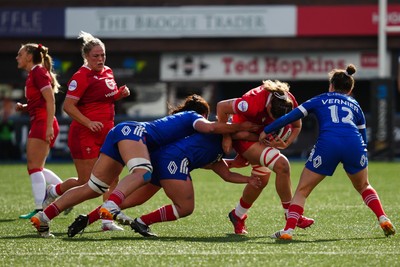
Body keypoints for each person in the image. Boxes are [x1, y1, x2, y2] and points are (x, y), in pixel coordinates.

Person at [30, 94, 259, 237]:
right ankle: (110, 206)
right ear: (203, 114)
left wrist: (236, 162)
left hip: (122, 133)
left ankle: (45, 216)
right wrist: (244, 127)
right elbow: (210, 129)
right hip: (134, 133)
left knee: (93, 187)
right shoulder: (192, 117)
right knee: (143, 173)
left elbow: (209, 158)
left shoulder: (185, 133)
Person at [260, 64, 396, 240]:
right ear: (350, 89)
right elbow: (362, 135)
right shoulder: (355, 104)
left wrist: (268, 129)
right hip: (354, 144)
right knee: (364, 186)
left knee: (302, 190)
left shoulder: (320, 99)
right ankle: (383, 218)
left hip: (328, 145)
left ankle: (288, 231)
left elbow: (291, 117)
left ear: (331, 85)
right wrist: (362, 154)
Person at [68, 131, 261, 238]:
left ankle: (87, 219)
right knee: (185, 207)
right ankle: (143, 222)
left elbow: (225, 173)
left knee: (128, 201)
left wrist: (248, 179)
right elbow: (233, 125)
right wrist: (259, 134)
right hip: (172, 161)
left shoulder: (217, 150)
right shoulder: (222, 130)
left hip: (162, 159)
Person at [42, 31, 130, 231]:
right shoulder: (81, 76)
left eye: (103, 55)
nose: (100, 59)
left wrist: (119, 94)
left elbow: (105, 98)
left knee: (113, 177)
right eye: (95, 56)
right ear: (86, 57)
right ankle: (54, 191)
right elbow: (68, 106)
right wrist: (89, 123)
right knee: (88, 182)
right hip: (85, 135)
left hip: (107, 133)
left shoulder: (107, 71)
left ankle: (107, 221)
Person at [216, 79, 314, 234]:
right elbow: (222, 107)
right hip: (243, 136)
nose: (276, 122)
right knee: (282, 165)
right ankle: (291, 215)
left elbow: (296, 125)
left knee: (260, 180)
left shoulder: (287, 99)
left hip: (261, 136)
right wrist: (226, 136)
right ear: (268, 107)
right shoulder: (252, 102)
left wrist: (286, 143)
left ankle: (238, 215)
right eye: (273, 118)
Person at [15, 43, 64, 219]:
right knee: (36, 167)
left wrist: (49, 125)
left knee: (34, 167)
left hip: (43, 122)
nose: (17, 57)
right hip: (41, 121)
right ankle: (66, 197)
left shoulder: (38, 72)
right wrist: (25, 107)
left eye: (20, 54)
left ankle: (39, 209)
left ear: (29, 56)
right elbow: (41, 101)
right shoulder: (35, 73)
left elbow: (50, 100)